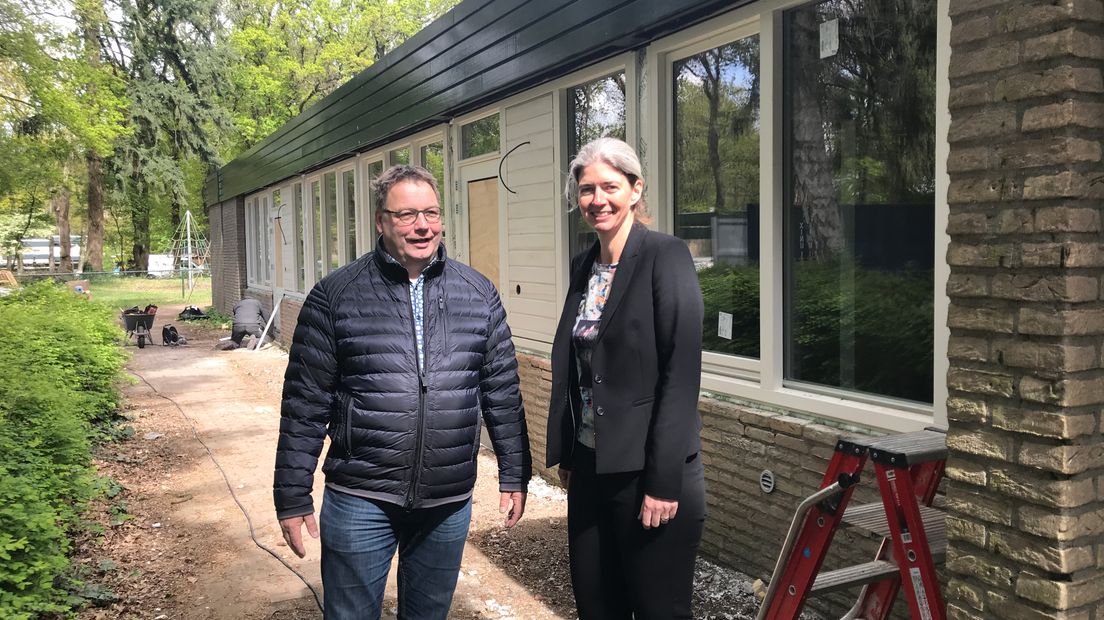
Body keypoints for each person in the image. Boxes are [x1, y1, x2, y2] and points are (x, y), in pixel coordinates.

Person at [274, 164, 531, 619]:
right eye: (407, 214)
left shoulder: (478, 293)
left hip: (447, 502)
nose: (422, 226)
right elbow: (304, 405)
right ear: (381, 221)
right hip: (361, 497)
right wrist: (292, 496)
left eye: (431, 213)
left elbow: (502, 391)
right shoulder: (336, 295)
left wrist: (514, 473)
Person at [546, 137, 706, 619]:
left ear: (636, 190)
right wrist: (571, 450)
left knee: (658, 609)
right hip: (592, 467)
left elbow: (681, 376)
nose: (598, 200)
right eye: (587, 189)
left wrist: (663, 481)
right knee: (596, 605)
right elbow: (579, 366)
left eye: (610, 187)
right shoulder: (584, 266)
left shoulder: (666, 256)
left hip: (646, 473)